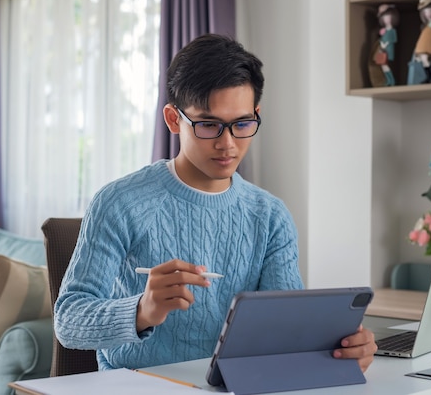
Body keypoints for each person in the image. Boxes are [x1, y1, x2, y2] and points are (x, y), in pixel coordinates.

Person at [53, 33, 377, 374]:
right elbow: (68, 321)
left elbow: (286, 332)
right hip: (137, 384)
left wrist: (342, 348)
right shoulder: (119, 202)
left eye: (242, 124)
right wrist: (142, 309)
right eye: (209, 125)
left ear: (256, 114)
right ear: (174, 119)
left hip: (233, 384)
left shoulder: (270, 216)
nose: (228, 144)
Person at [413, 0, 431, 83]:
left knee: (424, 60)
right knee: (421, 60)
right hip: (421, 44)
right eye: (425, 12)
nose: (427, 13)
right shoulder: (425, 25)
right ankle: (428, 77)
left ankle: (430, 77)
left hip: (427, 45)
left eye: (429, 11)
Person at [374, 4, 399, 86]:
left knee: (385, 65)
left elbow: (393, 39)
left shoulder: (392, 30)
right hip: (382, 49)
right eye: (384, 17)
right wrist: (382, 43)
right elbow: (382, 38)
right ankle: (389, 80)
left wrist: (385, 44)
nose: (386, 19)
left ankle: (391, 80)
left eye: (388, 17)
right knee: (383, 65)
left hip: (388, 50)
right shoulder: (384, 30)